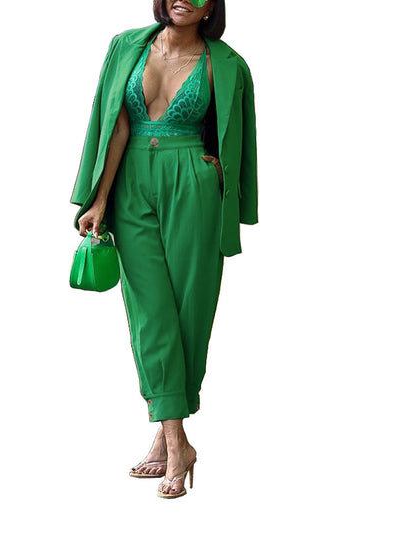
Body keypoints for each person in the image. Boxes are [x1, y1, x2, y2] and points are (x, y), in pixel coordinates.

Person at [69, 0, 258, 499]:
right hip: (130, 182)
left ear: (212, 5)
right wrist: (99, 198)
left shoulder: (228, 63)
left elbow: (238, 134)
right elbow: (114, 124)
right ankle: (178, 444)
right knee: (149, 313)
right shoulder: (126, 46)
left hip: (192, 181)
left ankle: (165, 435)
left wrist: (218, 175)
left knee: (190, 311)